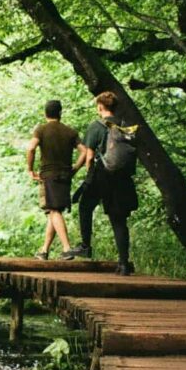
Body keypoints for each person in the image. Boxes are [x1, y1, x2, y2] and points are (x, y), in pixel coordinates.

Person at [70, 91, 138, 275]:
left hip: (102, 175)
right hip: (122, 178)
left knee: (85, 205)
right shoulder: (125, 126)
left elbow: (90, 156)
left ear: (100, 107)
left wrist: (88, 177)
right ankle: (123, 263)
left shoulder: (97, 126)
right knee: (118, 220)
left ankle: (85, 245)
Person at [26, 99, 87, 260]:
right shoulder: (70, 132)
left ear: (45, 113)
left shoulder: (41, 130)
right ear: (60, 113)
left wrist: (30, 169)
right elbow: (85, 152)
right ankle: (44, 250)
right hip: (65, 176)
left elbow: (31, 148)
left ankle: (67, 249)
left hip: (49, 175)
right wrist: (75, 168)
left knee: (54, 210)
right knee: (54, 211)